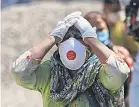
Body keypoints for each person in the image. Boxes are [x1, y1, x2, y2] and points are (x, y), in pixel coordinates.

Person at [11, 11, 130, 107]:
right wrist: (51, 38)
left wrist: (92, 40)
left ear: (88, 43)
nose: (71, 41)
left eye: (79, 36)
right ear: (59, 43)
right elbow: (20, 73)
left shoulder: (99, 71)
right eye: (65, 37)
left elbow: (120, 72)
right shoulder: (51, 72)